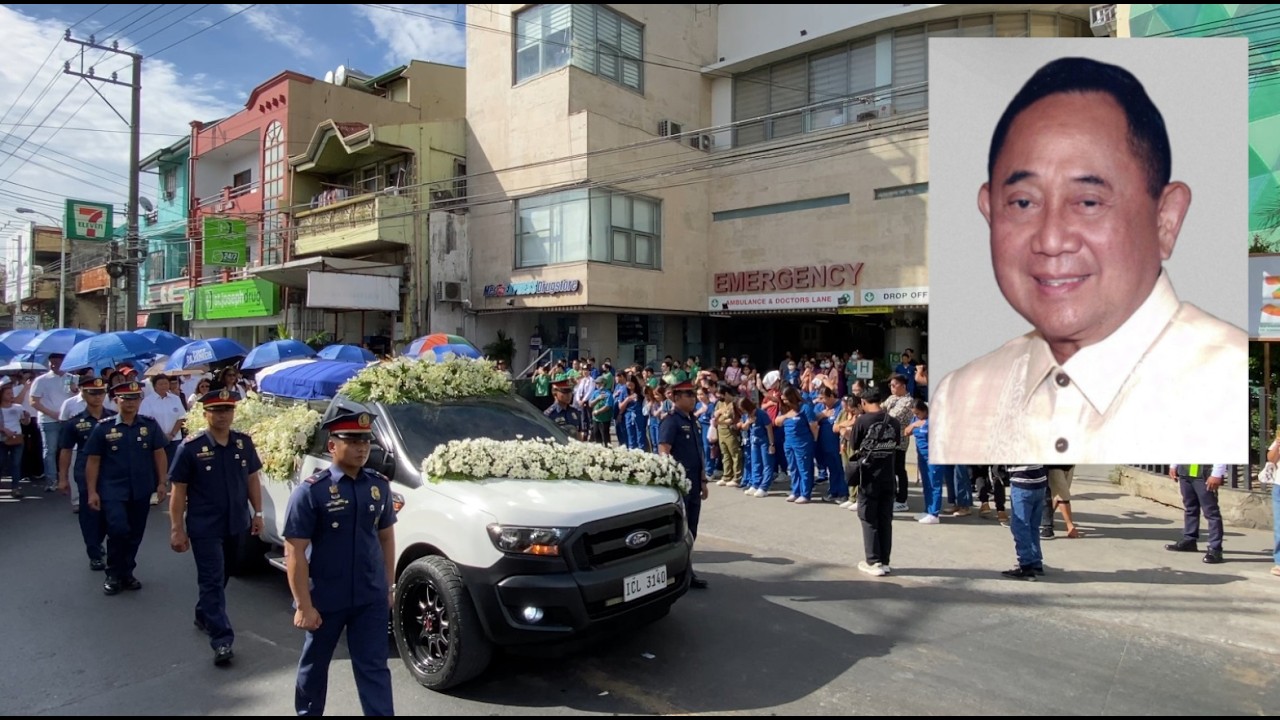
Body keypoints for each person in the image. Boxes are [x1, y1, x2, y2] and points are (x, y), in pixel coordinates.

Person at [930, 56, 1247, 464]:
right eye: (1023, 202)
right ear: (989, 212)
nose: (1051, 239)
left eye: (1089, 202)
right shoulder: (961, 397)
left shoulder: (1230, 384)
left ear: (1166, 220)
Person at [284, 403, 396, 716]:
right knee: (315, 666)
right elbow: (294, 550)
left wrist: (387, 586)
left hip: (369, 595)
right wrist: (303, 605)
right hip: (326, 598)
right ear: (333, 445)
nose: (362, 448)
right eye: (354, 441)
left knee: (374, 667)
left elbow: (385, 538)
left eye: (366, 441)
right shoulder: (312, 492)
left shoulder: (378, 486)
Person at [168, 389, 264, 666]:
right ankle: (222, 640)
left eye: (228, 410)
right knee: (211, 579)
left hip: (236, 523)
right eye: (217, 410)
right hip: (204, 526)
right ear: (205, 413)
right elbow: (179, 491)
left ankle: (203, 613)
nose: (223, 415)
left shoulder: (243, 444)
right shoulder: (191, 447)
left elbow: (252, 480)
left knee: (224, 574)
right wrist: (177, 528)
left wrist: (258, 513)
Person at [85, 380, 169, 595]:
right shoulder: (104, 427)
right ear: (116, 400)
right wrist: (92, 491)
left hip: (141, 489)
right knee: (118, 529)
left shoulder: (149, 425)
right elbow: (93, 460)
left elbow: (159, 453)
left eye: (135, 398)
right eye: (125, 398)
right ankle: (113, 573)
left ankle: (127, 572)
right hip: (113, 489)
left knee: (135, 533)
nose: (131, 402)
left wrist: (162, 482)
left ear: (140, 400)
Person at [657, 372, 709, 590]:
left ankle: (687, 569)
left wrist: (704, 480)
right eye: (688, 394)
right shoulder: (671, 421)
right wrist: (673, 481)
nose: (693, 398)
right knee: (680, 531)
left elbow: (699, 452)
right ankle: (678, 572)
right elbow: (664, 452)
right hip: (680, 485)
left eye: (693, 394)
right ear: (676, 397)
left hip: (694, 483)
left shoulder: (693, 420)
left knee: (692, 530)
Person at [57, 378, 113, 569]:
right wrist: (63, 478)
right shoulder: (76, 422)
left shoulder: (114, 417)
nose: (97, 396)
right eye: (92, 392)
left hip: (112, 470)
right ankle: (94, 551)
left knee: (111, 511)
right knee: (90, 513)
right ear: (83, 393)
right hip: (85, 470)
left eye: (100, 392)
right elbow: (65, 450)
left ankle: (99, 541)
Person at [850, 385, 901, 577]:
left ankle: (873, 561)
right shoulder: (894, 422)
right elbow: (896, 443)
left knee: (868, 518)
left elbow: (854, 444)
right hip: (888, 476)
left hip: (869, 477)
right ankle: (885, 560)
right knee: (885, 519)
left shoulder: (862, 421)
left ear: (863, 402)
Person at [30, 352, 75, 492]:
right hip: (48, 421)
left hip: (68, 420)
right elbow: (33, 401)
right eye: (51, 362)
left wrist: (76, 390)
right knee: (50, 450)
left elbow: (80, 397)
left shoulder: (73, 378)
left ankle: (68, 478)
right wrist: (52, 413)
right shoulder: (41, 380)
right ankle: (51, 480)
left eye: (57, 361)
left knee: (68, 449)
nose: (54, 364)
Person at [1165, 464, 1227, 564]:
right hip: (1185, 472)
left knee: (1211, 513)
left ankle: (1215, 549)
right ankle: (1189, 540)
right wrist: (1174, 465)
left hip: (1204, 475)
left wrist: (1217, 474)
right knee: (1190, 508)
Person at [1002, 465, 1049, 580]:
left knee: (1020, 526)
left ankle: (1026, 566)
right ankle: (1036, 562)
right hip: (1040, 481)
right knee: (1033, 526)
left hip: (1022, 482)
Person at [882, 374, 916, 512]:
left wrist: (879, 415)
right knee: (890, 469)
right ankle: (893, 495)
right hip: (887, 439)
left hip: (899, 440)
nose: (892, 388)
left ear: (903, 386)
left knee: (899, 469)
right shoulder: (892, 398)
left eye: (894, 385)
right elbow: (880, 408)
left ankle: (902, 499)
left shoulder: (908, 401)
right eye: (890, 385)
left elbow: (893, 417)